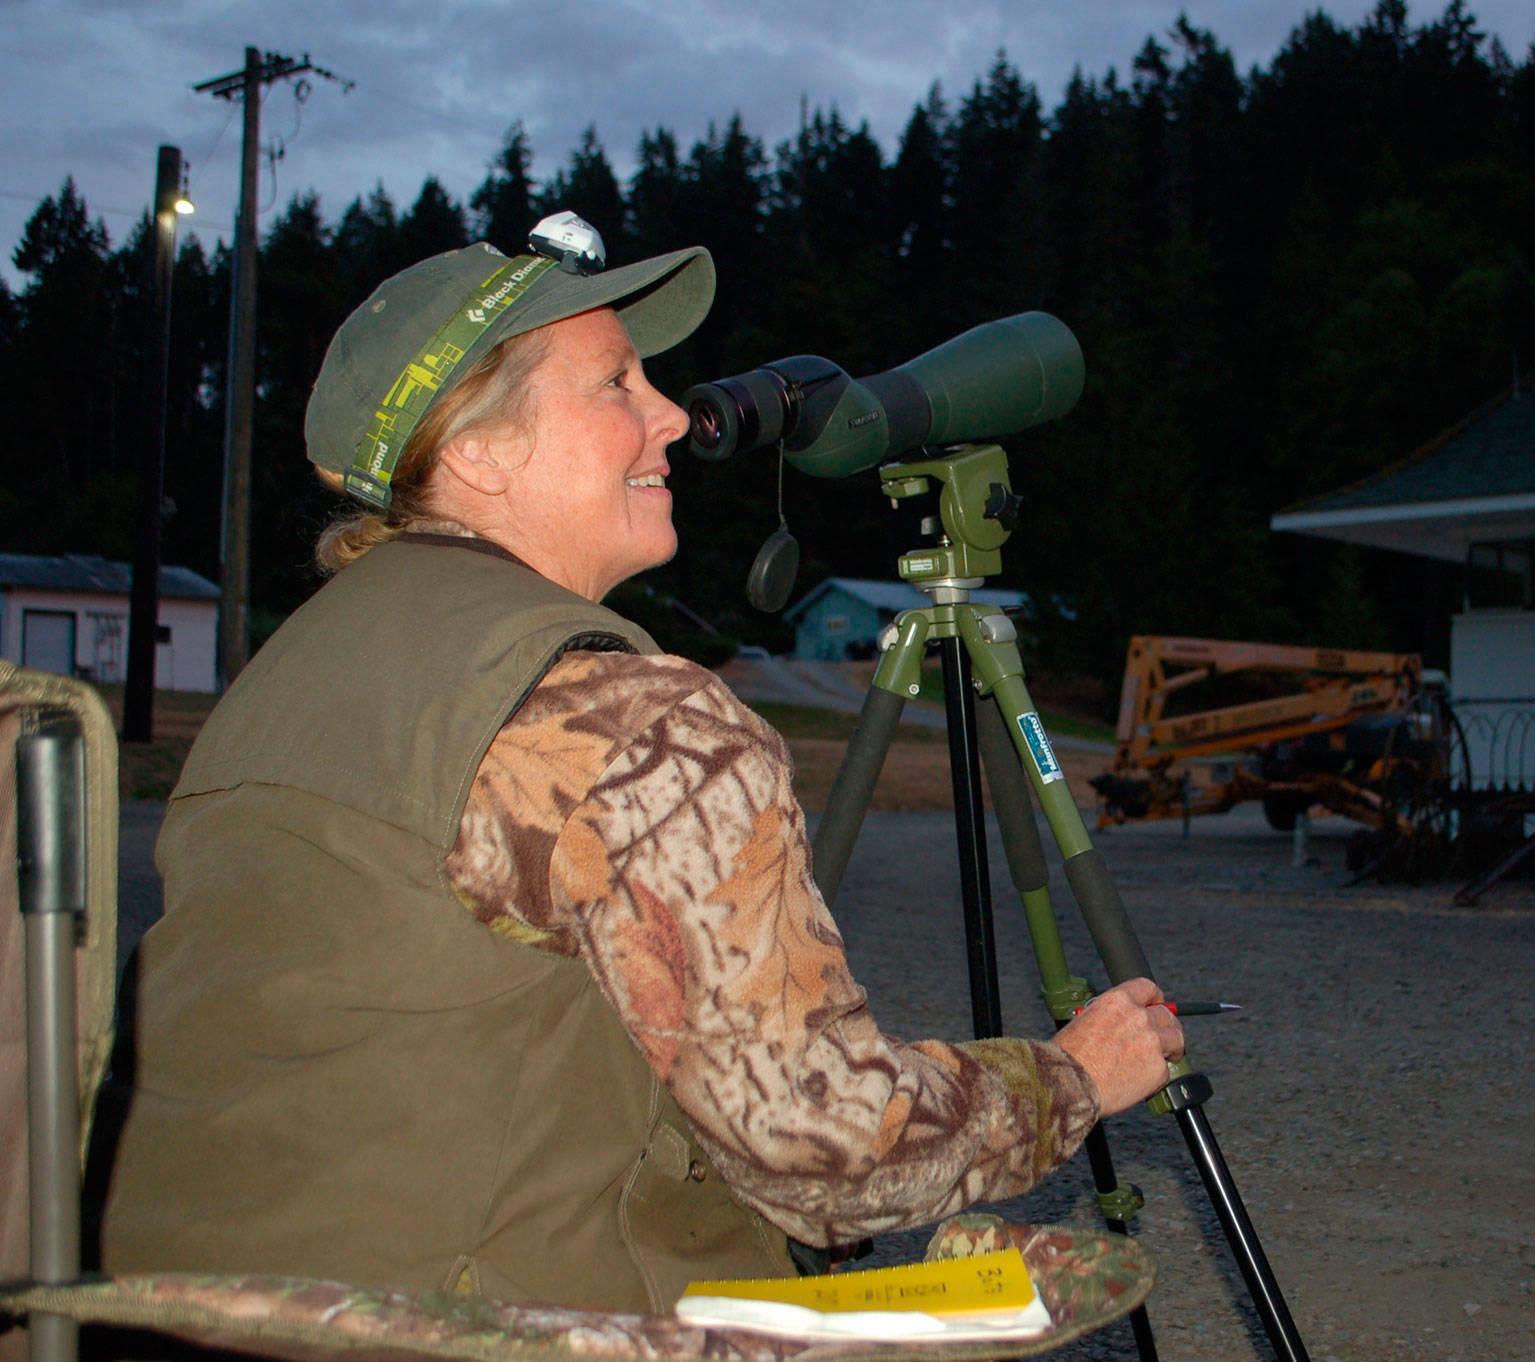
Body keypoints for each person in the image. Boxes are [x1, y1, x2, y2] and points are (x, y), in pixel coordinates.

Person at [102, 219, 1183, 1312]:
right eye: (615, 382)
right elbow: (829, 1150)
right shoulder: (629, 721)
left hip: (173, 1310)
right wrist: (1076, 1077)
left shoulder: (282, 679)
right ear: (477, 450)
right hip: (462, 1331)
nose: (670, 413)